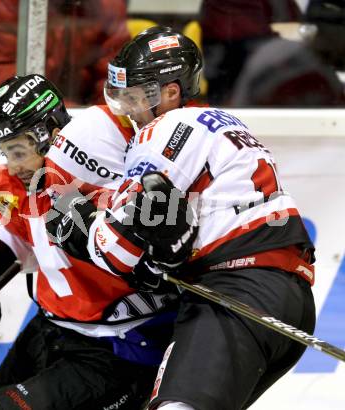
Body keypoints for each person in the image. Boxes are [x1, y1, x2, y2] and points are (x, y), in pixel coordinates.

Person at [49, 26, 317, 410]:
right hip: (288, 294)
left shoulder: (164, 128)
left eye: (135, 97)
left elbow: (117, 251)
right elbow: (171, 236)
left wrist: (85, 227)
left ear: (171, 92)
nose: (127, 109)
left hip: (238, 290)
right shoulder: (224, 123)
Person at [0, 73, 178, 409]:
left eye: (19, 150)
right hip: (54, 327)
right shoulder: (18, 180)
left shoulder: (107, 161)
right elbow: (15, 233)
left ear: (50, 134)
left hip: (119, 344)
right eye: (7, 152)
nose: (13, 165)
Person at [0, 0, 130, 106]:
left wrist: (102, 118)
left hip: (82, 116)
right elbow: (0, 75)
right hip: (10, 120)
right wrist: (62, 114)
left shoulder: (106, 6)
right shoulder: (0, 4)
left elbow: (114, 76)